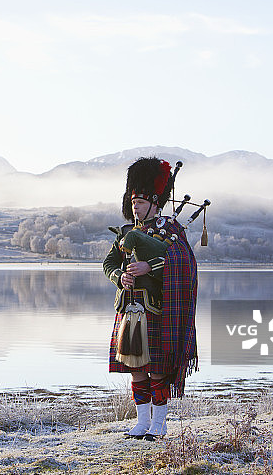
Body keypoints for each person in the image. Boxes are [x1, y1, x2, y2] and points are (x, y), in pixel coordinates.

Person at [104, 157, 198, 440]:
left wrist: (149, 267)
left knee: (157, 371)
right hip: (129, 310)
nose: (136, 207)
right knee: (135, 369)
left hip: (157, 310)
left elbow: (183, 262)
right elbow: (108, 264)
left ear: (156, 203)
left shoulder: (170, 230)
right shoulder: (125, 233)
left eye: (141, 202)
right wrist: (120, 276)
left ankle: (159, 424)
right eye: (133, 202)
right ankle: (141, 422)